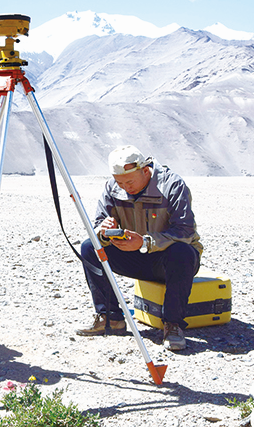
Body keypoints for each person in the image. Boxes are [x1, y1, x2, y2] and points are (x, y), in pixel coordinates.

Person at [76, 145, 203, 351]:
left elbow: (185, 232)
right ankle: (110, 318)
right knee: (90, 247)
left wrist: (144, 242)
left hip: (168, 260)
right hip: (134, 254)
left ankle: (173, 325)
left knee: (182, 252)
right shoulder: (112, 187)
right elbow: (98, 223)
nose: (125, 187)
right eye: (120, 182)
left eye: (130, 181)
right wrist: (104, 230)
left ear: (145, 171)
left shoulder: (172, 185)